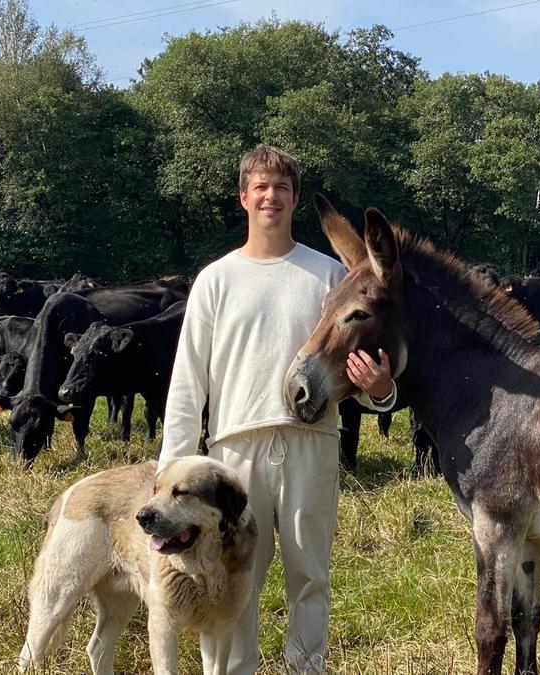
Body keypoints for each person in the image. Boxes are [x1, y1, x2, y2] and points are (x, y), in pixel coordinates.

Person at [157, 145, 396, 674]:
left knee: (310, 575)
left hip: (311, 445)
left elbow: (365, 371)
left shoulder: (330, 275)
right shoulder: (215, 280)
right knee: (228, 578)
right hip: (234, 450)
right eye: (261, 187)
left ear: (291, 199)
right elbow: (187, 382)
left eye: (282, 188)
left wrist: (381, 392)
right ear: (244, 198)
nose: (272, 196)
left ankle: (306, 668)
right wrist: (171, 472)